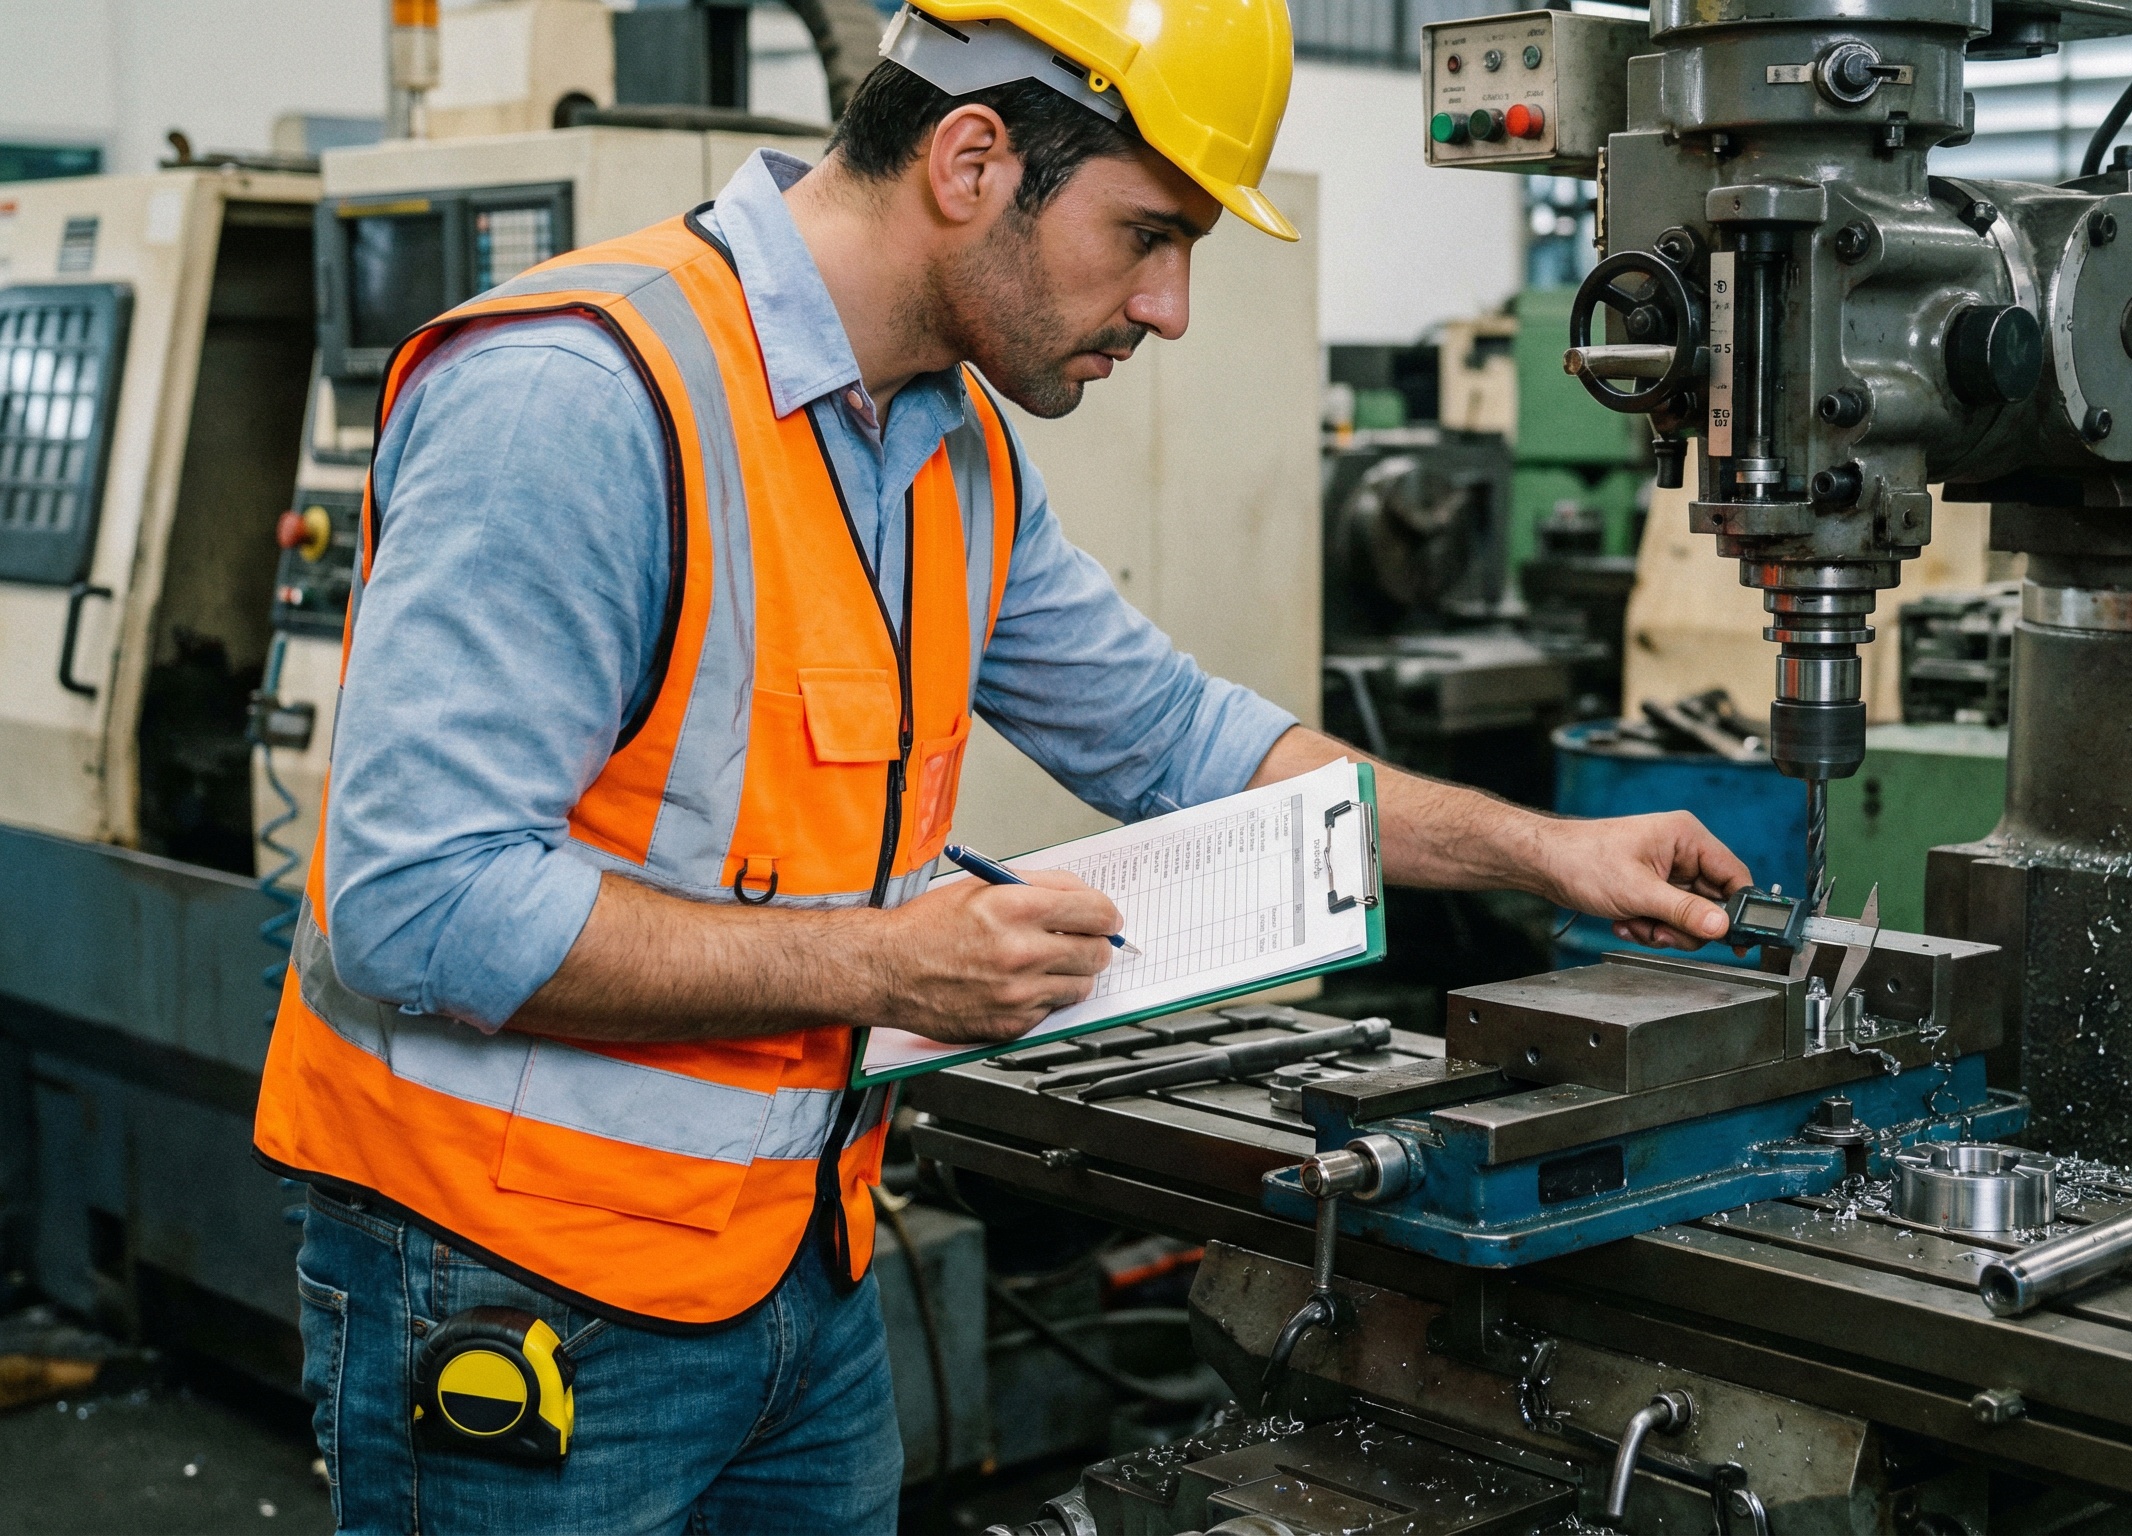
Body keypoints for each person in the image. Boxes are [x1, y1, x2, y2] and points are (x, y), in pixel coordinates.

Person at [253, 0, 1751, 1528]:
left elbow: (1174, 737)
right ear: (972, 159)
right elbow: (413, 903)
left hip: (799, 1271)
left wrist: (1551, 851)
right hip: (517, 1278)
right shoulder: (576, 399)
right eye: (1147, 236)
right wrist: (890, 966)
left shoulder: (945, 449)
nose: (1167, 308)